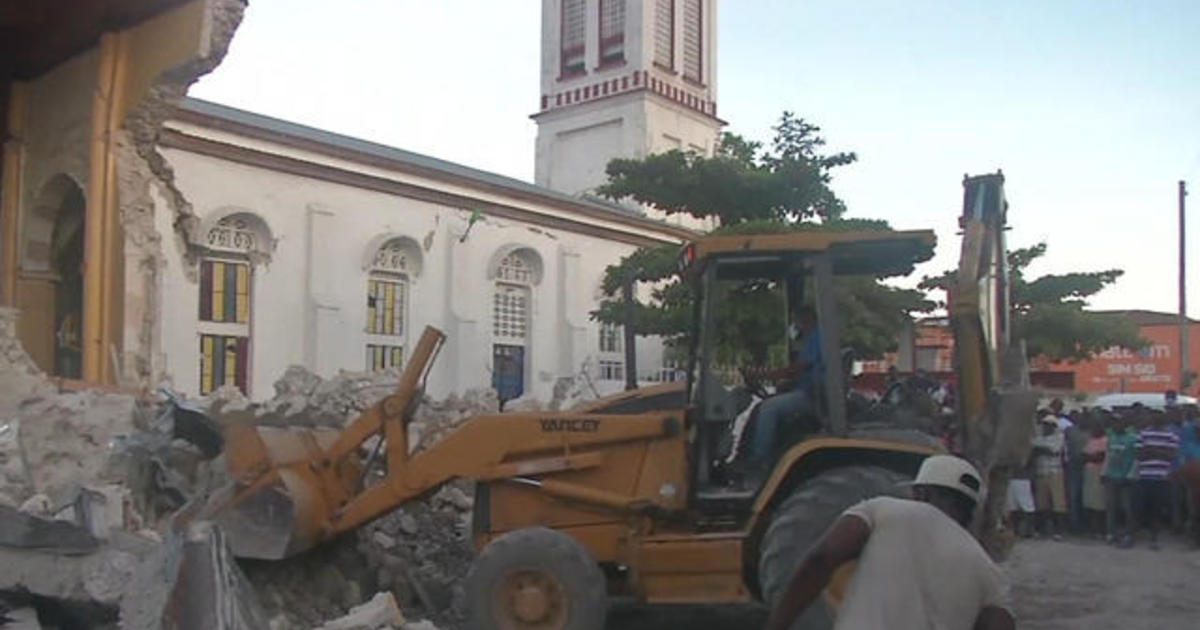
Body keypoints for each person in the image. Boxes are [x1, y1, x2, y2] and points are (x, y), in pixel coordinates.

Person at [763, 455, 1014, 630]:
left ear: (921, 492)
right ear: (970, 511)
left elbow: (822, 559)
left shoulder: (883, 510)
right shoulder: (987, 569)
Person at [746, 306, 823, 471]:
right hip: (808, 391)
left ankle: (759, 461)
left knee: (769, 408)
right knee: (763, 406)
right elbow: (801, 372)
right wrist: (784, 383)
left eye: (796, 321)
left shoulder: (818, 338)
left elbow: (797, 369)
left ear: (806, 320)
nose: (795, 325)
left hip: (812, 396)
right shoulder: (812, 339)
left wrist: (767, 375)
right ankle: (753, 454)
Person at [1135, 409, 1181, 549]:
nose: (1156, 420)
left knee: (1157, 509)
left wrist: (1151, 450)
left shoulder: (1172, 435)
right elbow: (1139, 455)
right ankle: (1133, 535)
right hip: (1144, 476)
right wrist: (1160, 452)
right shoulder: (1143, 433)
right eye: (1154, 417)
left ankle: (1154, 538)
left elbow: (1172, 456)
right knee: (1139, 507)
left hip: (1162, 477)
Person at [1103, 409, 1139, 547]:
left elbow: (1137, 458)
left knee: (1127, 508)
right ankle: (1111, 533)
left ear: (1125, 424)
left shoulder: (1133, 438)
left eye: (1119, 423)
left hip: (1126, 478)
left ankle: (1128, 534)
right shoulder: (1111, 438)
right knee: (1111, 507)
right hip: (1112, 476)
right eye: (1115, 423)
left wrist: (1131, 475)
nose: (1116, 426)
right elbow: (1108, 456)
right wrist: (1104, 473)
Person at [1032, 411, 1067, 538]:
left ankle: (1059, 531)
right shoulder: (1038, 436)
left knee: (1059, 502)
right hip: (1041, 472)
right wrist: (1041, 449)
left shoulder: (1059, 437)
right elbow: (1033, 449)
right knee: (1041, 503)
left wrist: (1040, 449)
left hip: (1055, 472)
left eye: (1049, 424)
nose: (1046, 427)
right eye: (1045, 424)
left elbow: (1054, 451)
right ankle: (1042, 530)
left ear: (1054, 426)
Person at [1081, 415, 1108, 536]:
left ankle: (1100, 529)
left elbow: (1101, 457)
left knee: (1100, 503)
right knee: (1089, 501)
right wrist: (1092, 457)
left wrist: (1091, 457)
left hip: (1100, 473)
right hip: (1089, 473)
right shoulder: (1090, 440)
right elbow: (1084, 456)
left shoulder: (1106, 440)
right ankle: (1092, 529)